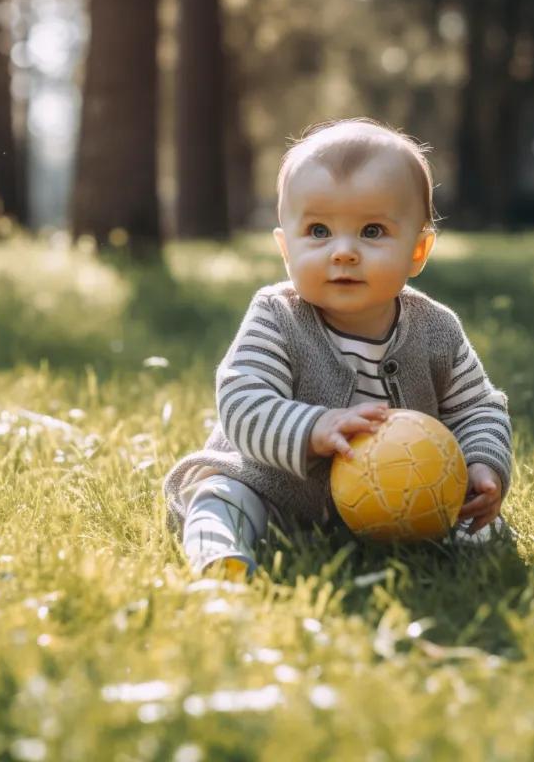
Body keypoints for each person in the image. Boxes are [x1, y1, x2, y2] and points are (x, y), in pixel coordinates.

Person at [164, 118, 513, 576]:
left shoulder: (437, 328)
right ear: (285, 248)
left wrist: (483, 465)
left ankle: (471, 551)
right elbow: (242, 402)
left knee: (480, 521)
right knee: (219, 497)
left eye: (371, 231)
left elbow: (478, 408)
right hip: (277, 491)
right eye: (318, 231)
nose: (343, 251)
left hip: (405, 497)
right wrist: (315, 426)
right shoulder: (278, 317)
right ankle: (220, 556)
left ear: (418, 251)